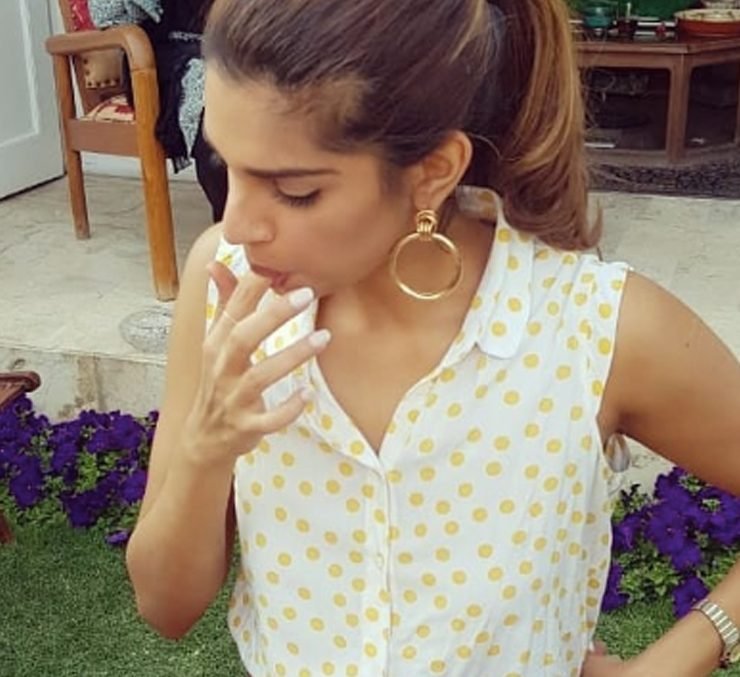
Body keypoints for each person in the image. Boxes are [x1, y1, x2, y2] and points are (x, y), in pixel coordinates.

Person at [123, 0, 740, 674]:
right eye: (225, 165)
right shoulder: (226, 290)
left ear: (435, 170)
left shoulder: (591, 326)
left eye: (294, 190)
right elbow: (164, 607)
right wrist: (206, 449)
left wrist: (678, 656)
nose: (239, 224)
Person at [89, 0, 228, 222]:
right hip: (160, 63)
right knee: (219, 101)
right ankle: (235, 230)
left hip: (232, 49)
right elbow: (108, 17)